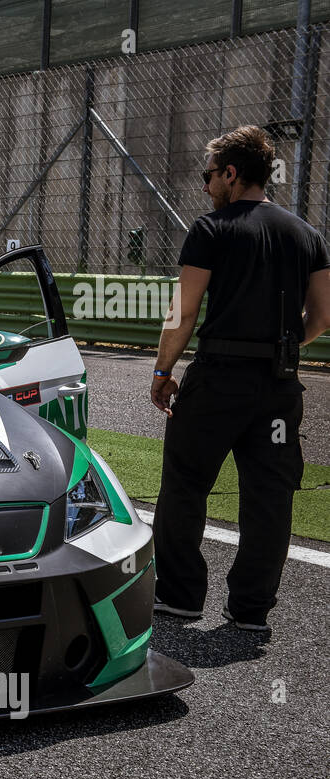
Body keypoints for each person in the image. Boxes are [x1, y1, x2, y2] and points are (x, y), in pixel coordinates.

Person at [150, 125, 330, 632]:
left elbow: (182, 313)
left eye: (208, 176)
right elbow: (321, 315)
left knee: (185, 487)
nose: (206, 186)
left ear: (231, 173)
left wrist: (163, 371)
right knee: (269, 498)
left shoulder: (211, 229)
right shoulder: (307, 235)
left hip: (217, 380)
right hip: (278, 385)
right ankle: (250, 610)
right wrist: (283, 347)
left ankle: (182, 597)